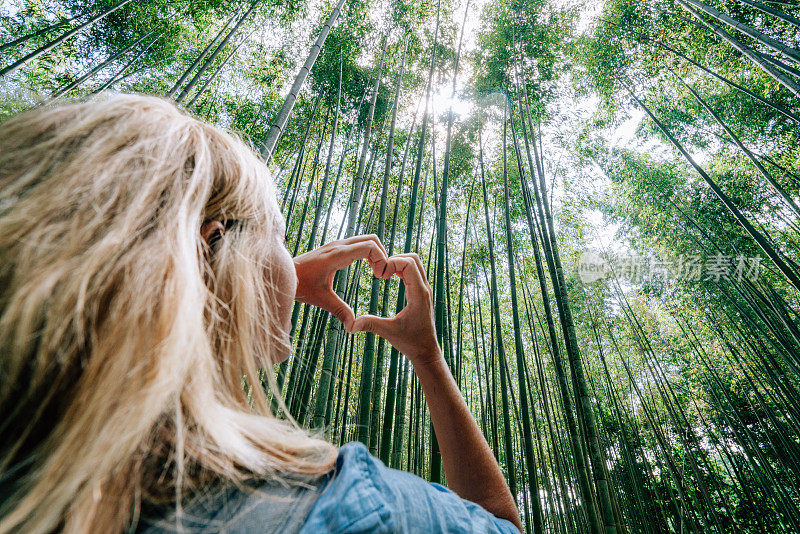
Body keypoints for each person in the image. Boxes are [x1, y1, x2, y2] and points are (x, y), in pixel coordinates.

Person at [0, 94, 522, 533]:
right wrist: (427, 358)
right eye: (282, 237)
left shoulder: (26, 470)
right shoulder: (355, 510)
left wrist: (261, 280)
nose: (295, 264)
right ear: (208, 253)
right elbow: (500, 523)